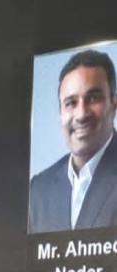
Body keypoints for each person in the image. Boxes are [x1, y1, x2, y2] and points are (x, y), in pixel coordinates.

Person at [30, 50, 117, 233]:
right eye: (70, 103)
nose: (81, 114)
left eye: (93, 98)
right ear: (60, 113)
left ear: (114, 105)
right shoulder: (39, 189)